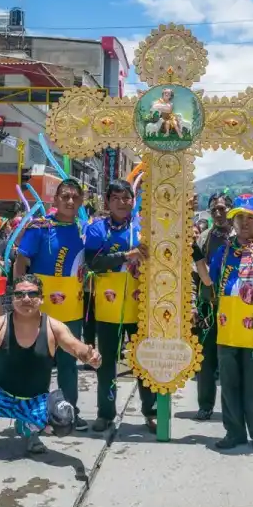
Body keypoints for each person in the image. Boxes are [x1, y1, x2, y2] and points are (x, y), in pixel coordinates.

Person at [0, 275, 101, 465]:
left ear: (42, 298)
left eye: (32, 294)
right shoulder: (0, 324)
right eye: (20, 294)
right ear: (12, 298)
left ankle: (29, 427)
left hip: (35, 400)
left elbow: (75, 346)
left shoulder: (54, 327)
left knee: (64, 422)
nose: (26, 299)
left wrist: (91, 355)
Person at [14, 179, 88, 431]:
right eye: (64, 196)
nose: (69, 201)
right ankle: (32, 415)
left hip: (73, 309)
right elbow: (21, 262)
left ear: (80, 202)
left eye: (74, 197)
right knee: (37, 362)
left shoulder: (83, 230)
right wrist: (19, 297)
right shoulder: (39, 229)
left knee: (70, 363)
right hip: (40, 308)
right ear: (55, 200)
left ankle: (69, 413)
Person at [208, 195, 253, 452]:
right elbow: (209, 280)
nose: (245, 222)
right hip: (227, 328)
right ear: (233, 221)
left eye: (251, 217)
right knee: (229, 384)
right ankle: (234, 432)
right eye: (240, 217)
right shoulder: (224, 251)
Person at [85, 179, 157, 432]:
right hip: (108, 306)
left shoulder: (144, 227)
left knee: (144, 359)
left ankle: (151, 411)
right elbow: (92, 263)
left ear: (133, 200)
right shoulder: (96, 229)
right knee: (106, 363)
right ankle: (105, 413)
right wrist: (127, 256)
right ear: (107, 202)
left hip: (140, 306)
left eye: (126, 197)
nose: (121, 202)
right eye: (115, 197)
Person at [193, 192, 233, 420]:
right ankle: (205, 404)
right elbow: (193, 274)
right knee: (206, 358)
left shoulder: (240, 236)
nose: (218, 213)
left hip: (236, 307)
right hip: (208, 306)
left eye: (222, 208)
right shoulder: (204, 238)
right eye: (214, 210)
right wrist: (192, 304)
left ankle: (233, 407)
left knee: (231, 358)